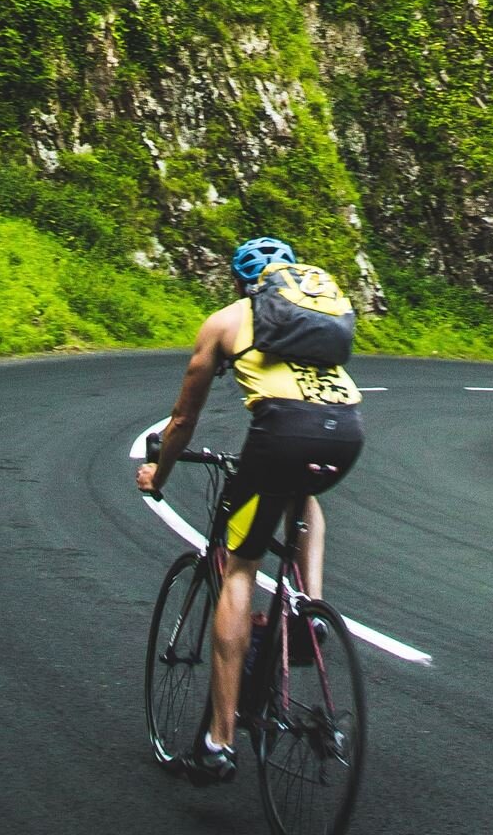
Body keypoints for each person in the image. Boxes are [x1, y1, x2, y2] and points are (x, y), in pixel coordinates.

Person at [136, 235, 364, 783]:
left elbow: (183, 420)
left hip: (283, 435)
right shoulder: (312, 323)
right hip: (347, 433)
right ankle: (309, 609)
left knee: (239, 568)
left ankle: (218, 743)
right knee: (300, 494)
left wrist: (157, 475)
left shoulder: (226, 321)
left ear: (241, 283)